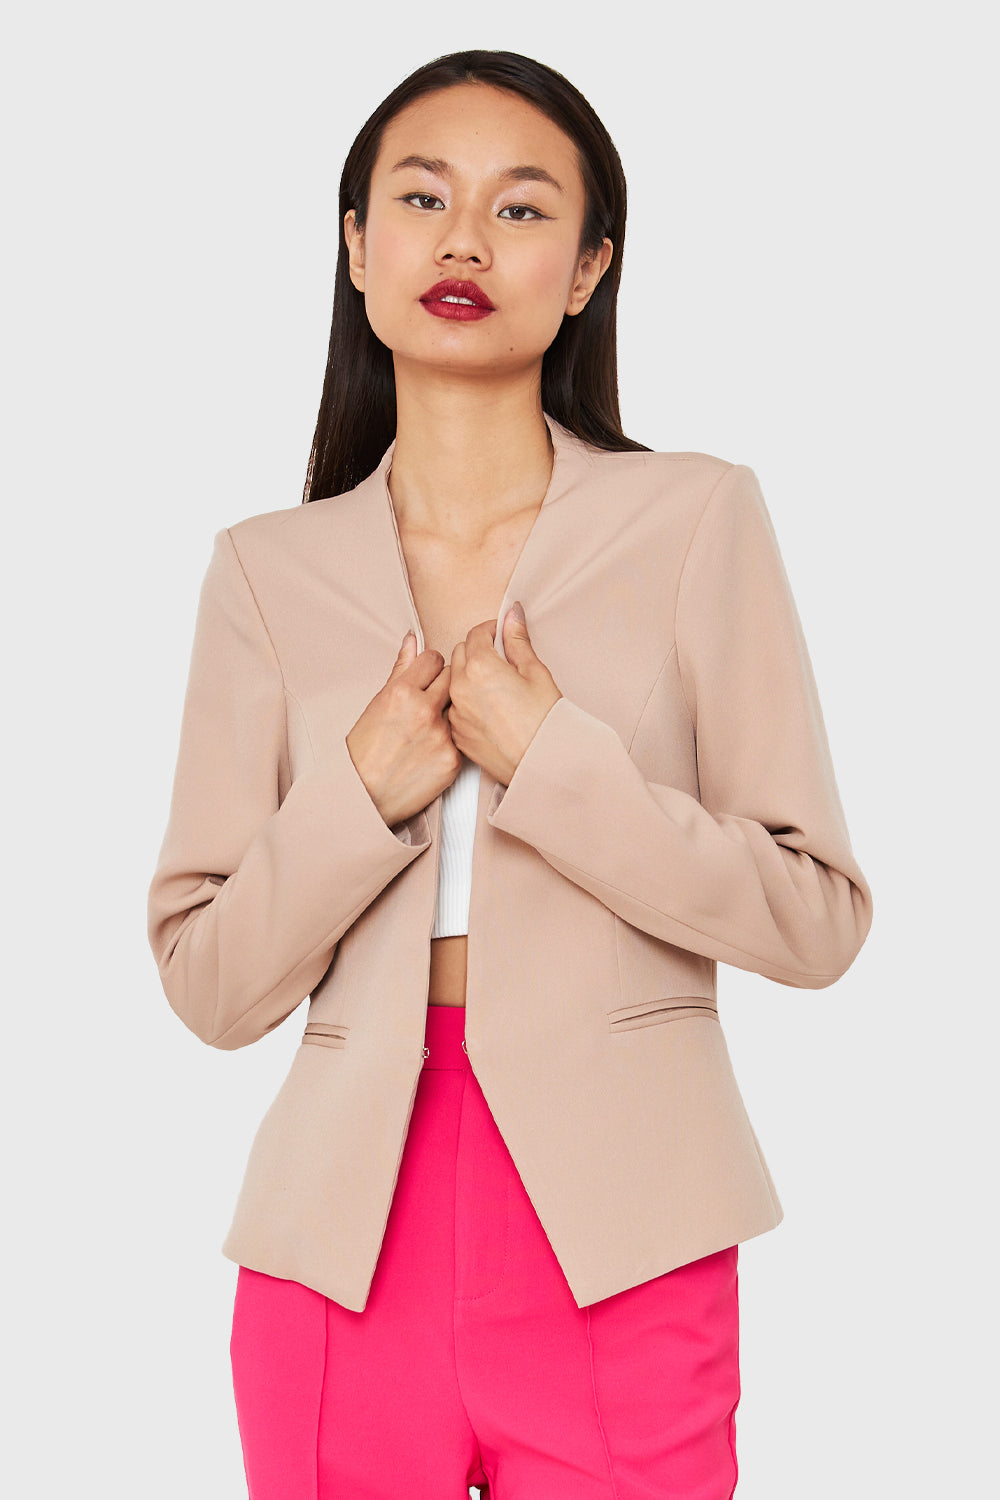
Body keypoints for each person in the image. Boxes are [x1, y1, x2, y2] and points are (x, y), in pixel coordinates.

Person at [146, 48, 874, 1500]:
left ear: (590, 267)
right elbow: (208, 986)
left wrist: (555, 764)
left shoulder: (696, 520)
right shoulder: (264, 572)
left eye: (524, 208)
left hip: (628, 1228)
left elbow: (817, 918)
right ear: (358, 246)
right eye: (423, 198)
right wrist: (358, 793)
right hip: (340, 1246)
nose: (466, 240)